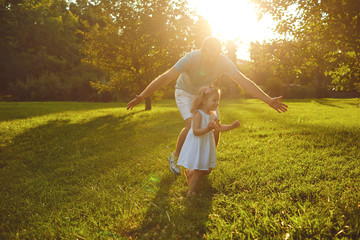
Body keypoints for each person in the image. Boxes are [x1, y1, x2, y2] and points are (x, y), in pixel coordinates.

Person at [127, 37, 288, 175]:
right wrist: (142, 96)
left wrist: (268, 100)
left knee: (215, 127)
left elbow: (243, 81)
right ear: (202, 50)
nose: (211, 59)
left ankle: (204, 164)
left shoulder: (223, 61)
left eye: (215, 55)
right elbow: (166, 77)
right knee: (192, 125)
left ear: (219, 52)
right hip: (185, 92)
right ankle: (175, 156)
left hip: (205, 95)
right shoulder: (190, 58)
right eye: (208, 55)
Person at [178, 86, 239, 196]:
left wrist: (232, 126)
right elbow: (195, 131)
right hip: (198, 144)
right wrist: (207, 129)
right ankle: (190, 192)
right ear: (204, 100)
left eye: (218, 100)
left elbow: (219, 128)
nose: (217, 103)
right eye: (214, 100)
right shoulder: (198, 114)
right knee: (199, 170)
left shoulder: (213, 115)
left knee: (208, 169)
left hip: (206, 144)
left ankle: (189, 172)